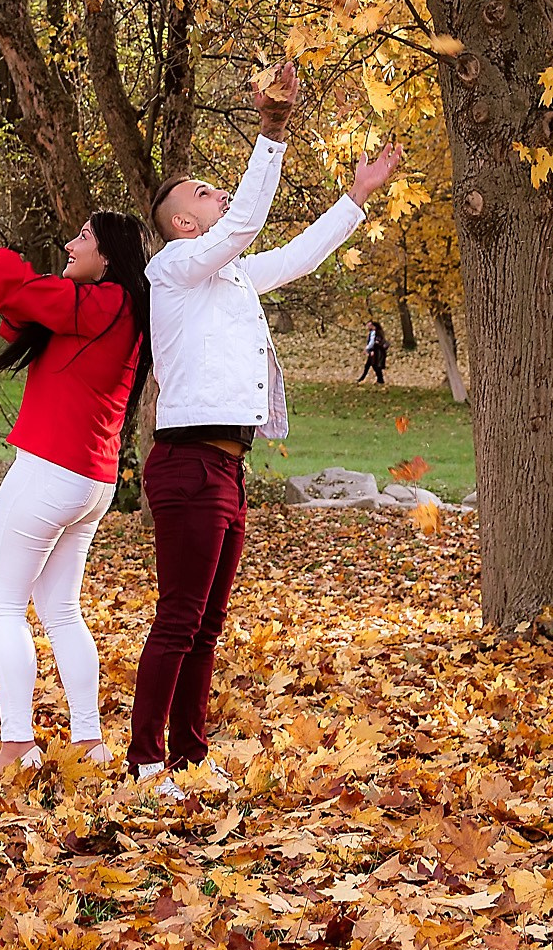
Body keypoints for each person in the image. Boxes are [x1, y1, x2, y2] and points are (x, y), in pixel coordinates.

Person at [128, 63, 401, 793]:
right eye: (202, 192)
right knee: (179, 618)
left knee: (207, 623)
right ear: (185, 224)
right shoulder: (175, 267)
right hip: (187, 464)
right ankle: (146, 763)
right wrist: (271, 131)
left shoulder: (234, 276)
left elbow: (300, 255)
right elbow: (245, 222)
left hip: (226, 468)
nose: (217, 193)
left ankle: (188, 757)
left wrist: (357, 197)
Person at [0, 184, 150, 773]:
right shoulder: (115, 312)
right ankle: (89, 741)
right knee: (60, 610)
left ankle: (17, 744)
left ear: (109, 256)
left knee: (2, 604)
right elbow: (15, 298)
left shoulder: (105, 303)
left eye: (83, 237)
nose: (70, 245)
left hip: (51, 470)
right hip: (91, 481)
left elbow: (12, 283)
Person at [358, 320, 389, 385]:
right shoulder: (373, 333)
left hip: (376, 352)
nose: (368, 327)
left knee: (374, 366)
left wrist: (368, 349)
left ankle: (380, 380)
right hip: (373, 351)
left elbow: (373, 343)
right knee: (369, 365)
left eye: (370, 325)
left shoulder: (377, 333)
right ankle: (363, 378)